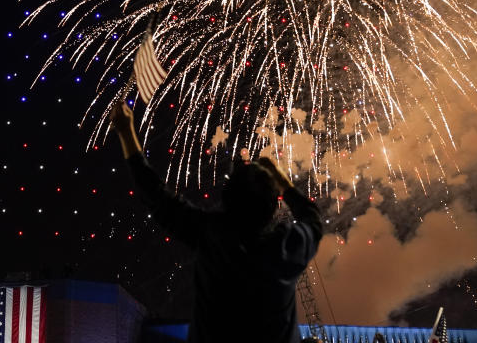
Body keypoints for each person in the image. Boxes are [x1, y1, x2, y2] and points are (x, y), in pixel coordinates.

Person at [110, 101, 324, 343]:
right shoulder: (287, 247)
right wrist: (281, 181)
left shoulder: (212, 235)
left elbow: (157, 196)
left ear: (227, 199)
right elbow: (312, 218)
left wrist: (126, 132)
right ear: (274, 205)